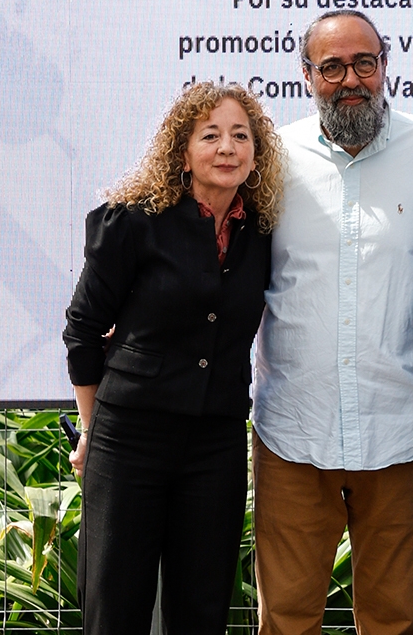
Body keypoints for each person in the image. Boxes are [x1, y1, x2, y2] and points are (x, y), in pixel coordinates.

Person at [252, 10, 413, 635]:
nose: (350, 79)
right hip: (294, 428)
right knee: (287, 619)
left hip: (400, 427)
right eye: (332, 67)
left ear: (385, 66)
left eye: (364, 63)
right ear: (307, 74)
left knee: (391, 619)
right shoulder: (273, 158)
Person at [63, 81, 285, 635]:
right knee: (116, 609)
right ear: (182, 151)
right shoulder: (134, 222)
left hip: (216, 444)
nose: (227, 147)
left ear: (257, 154)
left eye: (240, 135)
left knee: (202, 610)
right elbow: (83, 332)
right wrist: (93, 430)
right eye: (210, 136)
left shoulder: (262, 232)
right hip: (128, 437)